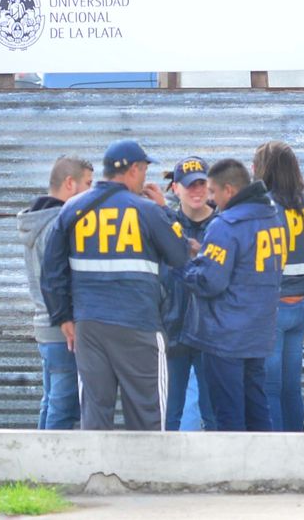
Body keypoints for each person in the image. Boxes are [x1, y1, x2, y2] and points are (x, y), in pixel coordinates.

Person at [40, 139, 190, 431]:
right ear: (134, 170)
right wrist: (166, 210)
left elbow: (51, 269)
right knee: (148, 417)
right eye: (145, 170)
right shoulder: (146, 211)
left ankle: (98, 477)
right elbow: (180, 253)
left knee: (94, 416)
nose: (145, 178)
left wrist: (63, 317)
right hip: (140, 327)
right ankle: (145, 476)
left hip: (90, 328)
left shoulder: (72, 210)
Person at [181, 159, 284, 431]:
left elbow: (209, 281)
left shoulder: (225, 225)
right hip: (257, 333)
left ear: (229, 190)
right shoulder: (273, 218)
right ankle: (263, 470)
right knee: (257, 410)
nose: (212, 200)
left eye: (213, 192)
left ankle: (234, 473)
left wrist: (188, 265)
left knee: (229, 417)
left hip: (225, 337)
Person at [253, 140, 304, 431]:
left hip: (272, 307)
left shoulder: (262, 209)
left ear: (263, 169)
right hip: (303, 306)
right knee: (291, 387)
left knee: (270, 387)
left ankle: (277, 456)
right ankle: (298, 449)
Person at [16, 156, 93, 430]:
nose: (92, 192)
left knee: (51, 401)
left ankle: (37, 468)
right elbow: (57, 280)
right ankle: (51, 472)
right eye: (88, 184)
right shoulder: (57, 225)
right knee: (63, 404)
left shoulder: (37, 221)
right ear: (70, 184)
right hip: (63, 330)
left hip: (47, 327)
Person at [162, 156, 217, 431]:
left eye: (201, 184)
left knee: (214, 415)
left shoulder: (223, 225)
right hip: (173, 330)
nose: (196, 191)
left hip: (212, 335)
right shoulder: (164, 224)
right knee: (170, 415)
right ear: (175, 188)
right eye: (189, 185)